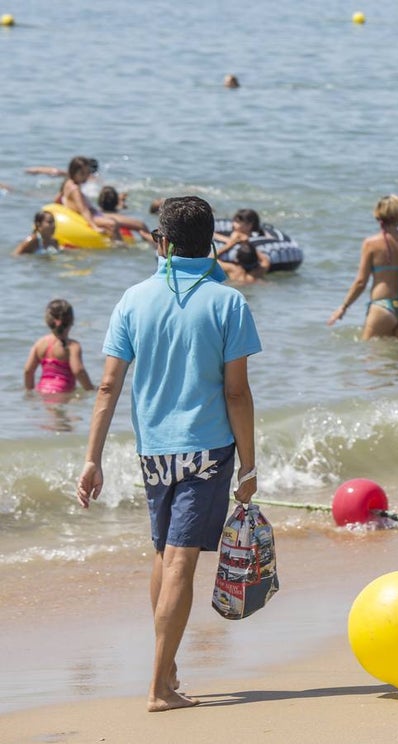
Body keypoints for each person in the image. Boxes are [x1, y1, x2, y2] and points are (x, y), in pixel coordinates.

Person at [75, 195, 262, 712]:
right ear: (212, 243)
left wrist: (91, 458)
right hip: (207, 450)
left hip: (153, 451)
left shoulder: (133, 298)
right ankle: (159, 686)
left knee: (164, 555)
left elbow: (108, 386)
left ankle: (168, 667)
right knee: (180, 562)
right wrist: (249, 465)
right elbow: (236, 394)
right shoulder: (228, 303)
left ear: (162, 241)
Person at [327, 195, 398, 340]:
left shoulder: (370, 243)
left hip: (382, 307)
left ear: (378, 214)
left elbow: (360, 282)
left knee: (371, 359)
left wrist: (343, 307)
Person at [24, 299, 94, 394]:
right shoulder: (72, 346)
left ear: (47, 321)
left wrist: (29, 391)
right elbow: (78, 371)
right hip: (63, 392)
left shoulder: (40, 343)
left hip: (42, 390)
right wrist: (90, 389)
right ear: (72, 321)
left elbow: (28, 371)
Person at [57, 156, 120, 237]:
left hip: (84, 214)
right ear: (73, 172)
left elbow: (58, 199)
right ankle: (118, 247)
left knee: (113, 220)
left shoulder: (68, 182)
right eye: (82, 173)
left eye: (87, 173)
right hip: (82, 217)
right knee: (113, 224)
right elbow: (83, 210)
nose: (85, 176)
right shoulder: (75, 189)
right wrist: (94, 226)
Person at [213, 208, 272, 284]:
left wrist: (230, 245)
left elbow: (212, 259)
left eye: (238, 222)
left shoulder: (233, 270)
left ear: (236, 259)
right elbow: (265, 260)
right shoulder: (258, 272)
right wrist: (249, 244)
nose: (234, 224)